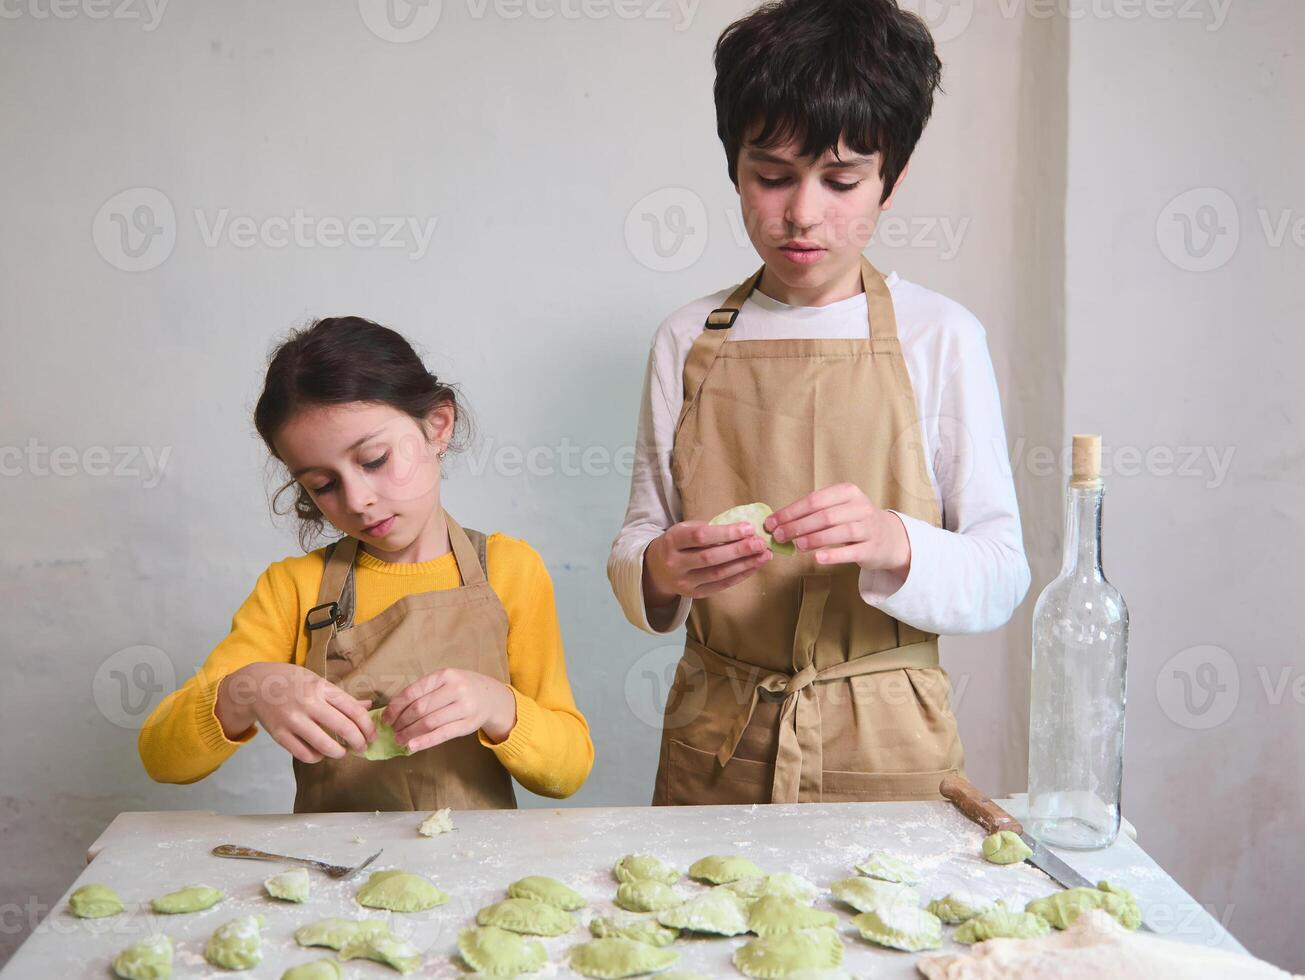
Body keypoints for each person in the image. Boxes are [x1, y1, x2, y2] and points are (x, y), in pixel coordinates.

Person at [608, 0, 1030, 805]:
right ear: (733, 167)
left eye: (841, 181)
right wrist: (661, 568)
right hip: (714, 738)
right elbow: (639, 534)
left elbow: (1001, 572)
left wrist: (889, 538)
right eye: (770, 177)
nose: (802, 214)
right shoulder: (686, 337)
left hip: (887, 739)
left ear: (890, 180)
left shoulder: (939, 335)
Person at [140, 316, 594, 811]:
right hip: (334, 876)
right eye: (323, 484)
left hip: (474, 875)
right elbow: (163, 759)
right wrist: (247, 689)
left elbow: (567, 773)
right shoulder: (294, 588)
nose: (357, 501)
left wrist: (497, 705)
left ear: (437, 426)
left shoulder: (510, 569)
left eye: (374, 459)